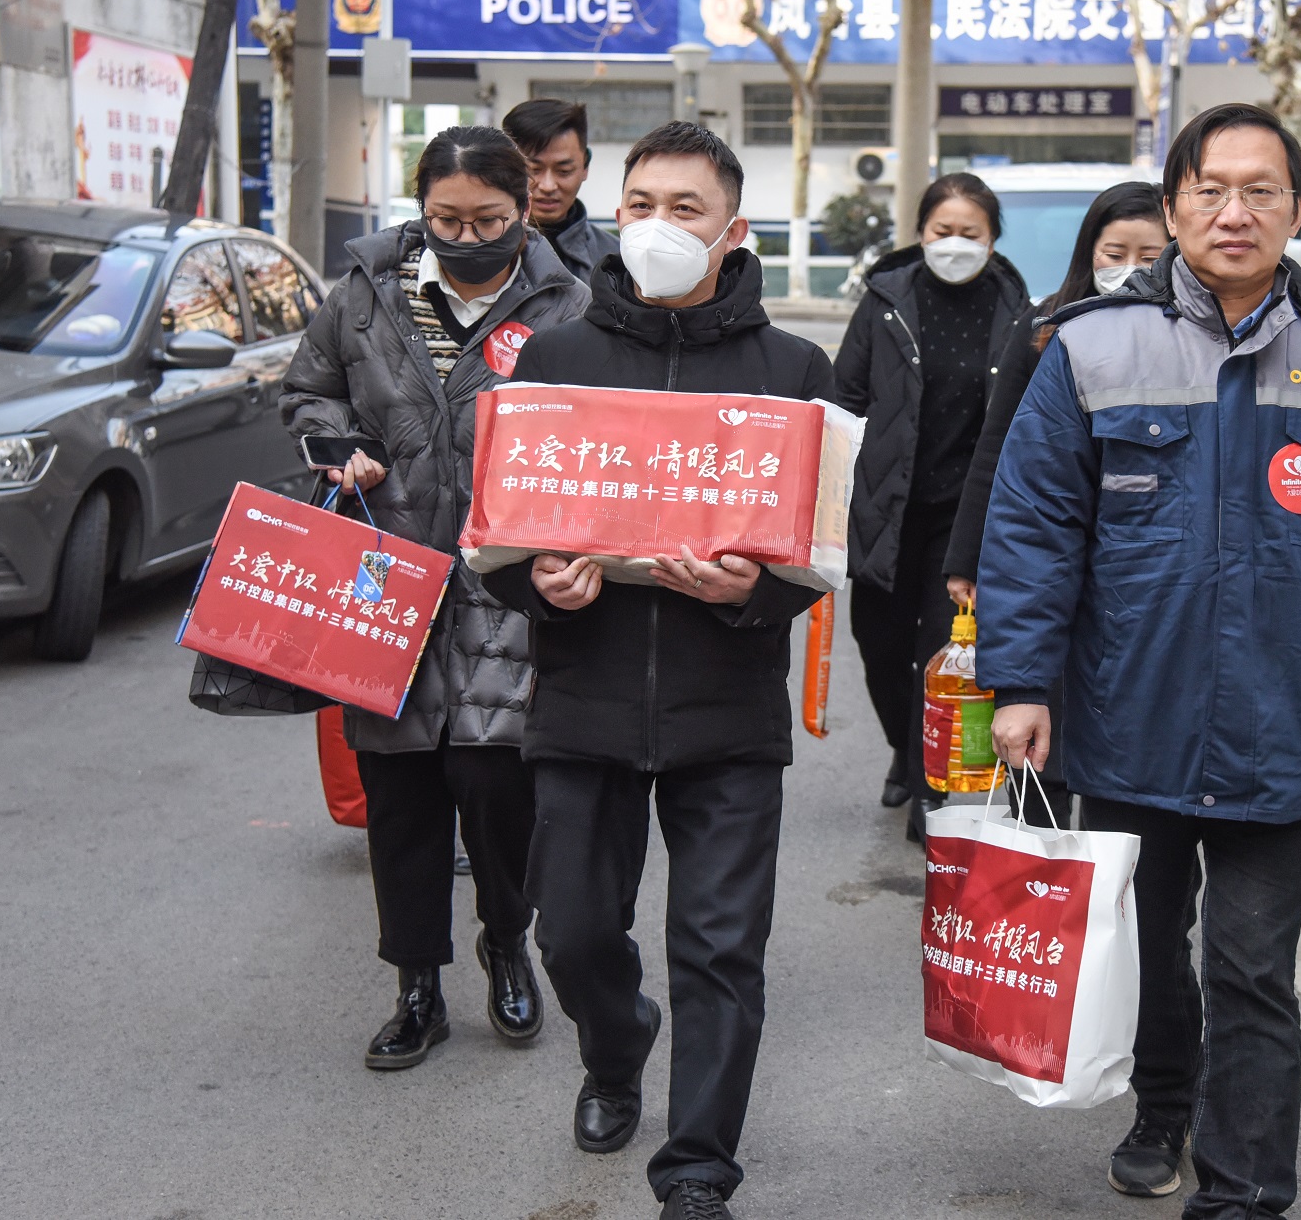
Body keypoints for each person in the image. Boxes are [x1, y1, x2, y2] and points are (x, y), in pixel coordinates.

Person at [977, 102, 1301, 1217]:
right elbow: (1032, 529)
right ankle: (1161, 1107)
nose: (1233, 211)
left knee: (1251, 972)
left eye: (1260, 190)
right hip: (1127, 715)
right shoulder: (1091, 349)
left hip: (1276, 721)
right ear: (1171, 207)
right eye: (1209, 189)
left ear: (1299, 209)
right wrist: (1018, 683)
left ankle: (1243, 1194)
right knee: (1150, 949)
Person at [481, 121, 835, 1220]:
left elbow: (826, 556)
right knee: (573, 933)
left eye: (685, 208)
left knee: (722, 947)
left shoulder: (791, 376)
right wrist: (544, 584)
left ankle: (695, 1167)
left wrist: (753, 594)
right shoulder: (555, 363)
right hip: (582, 703)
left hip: (726, 713)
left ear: (732, 231)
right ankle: (616, 1043)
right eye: (639, 203)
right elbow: (494, 548)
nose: (656, 225)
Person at [281, 124, 591, 1072]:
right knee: (402, 796)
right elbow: (308, 392)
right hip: (388, 578)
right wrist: (338, 449)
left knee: (500, 791)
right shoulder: (366, 296)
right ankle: (416, 982)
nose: (466, 237)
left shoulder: (570, 302)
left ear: (522, 210)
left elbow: (600, 428)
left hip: (506, 583)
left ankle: (507, 944)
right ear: (420, 207)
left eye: (488, 219)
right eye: (446, 219)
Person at [941, 181, 1169, 829]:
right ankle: (1041, 878)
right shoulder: (1047, 330)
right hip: (1047, 560)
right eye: (1115, 251)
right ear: (1088, 253)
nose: (1129, 269)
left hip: (1135, 571)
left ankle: (1136, 907)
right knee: (1039, 724)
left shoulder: (1190, 345)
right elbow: (996, 452)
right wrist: (969, 561)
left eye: (1149, 255)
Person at [834, 173, 1028, 834]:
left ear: (993, 239)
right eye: (942, 232)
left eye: (969, 233)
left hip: (965, 519)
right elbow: (845, 398)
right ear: (920, 234)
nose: (954, 244)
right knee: (882, 646)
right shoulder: (885, 303)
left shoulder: (1016, 311)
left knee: (942, 653)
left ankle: (929, 787)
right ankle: (900, 743)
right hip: (887, 507)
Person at [501, 97, 621, 286]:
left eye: (564, 171)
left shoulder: (617, 260)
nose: (548, 186)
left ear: (585, 165)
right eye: (533, 170)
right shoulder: (484, 250)